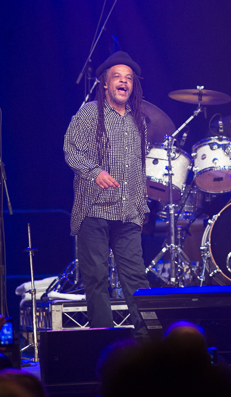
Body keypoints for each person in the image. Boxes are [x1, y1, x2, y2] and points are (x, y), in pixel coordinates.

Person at [64, 51, 150, 335]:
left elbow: (139, 166)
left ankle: (147, 344)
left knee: (137, 280)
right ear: (105, 83)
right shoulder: (90, 113)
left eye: (128, 79)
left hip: (127, 214)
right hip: (95, 210)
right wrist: (95, 172)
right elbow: (71, 150)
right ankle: (105, 344)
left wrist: (141, 207)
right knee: (97, 279)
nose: (123, 82)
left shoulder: (139, 119)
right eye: (117, 77)